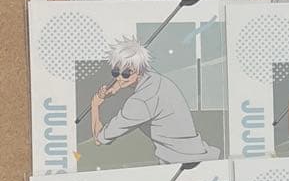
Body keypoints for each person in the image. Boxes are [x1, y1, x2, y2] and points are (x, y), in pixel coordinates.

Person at [91, 38, 221, 164]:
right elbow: (125, 78)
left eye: (126, 73)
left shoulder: (140, 102)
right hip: (196, 150)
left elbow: (99, 138)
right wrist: (114, 89)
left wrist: (95, 105)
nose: (119, 78)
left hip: (179, 161)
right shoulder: (154, 79)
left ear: (140, 70)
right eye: (115, 72)